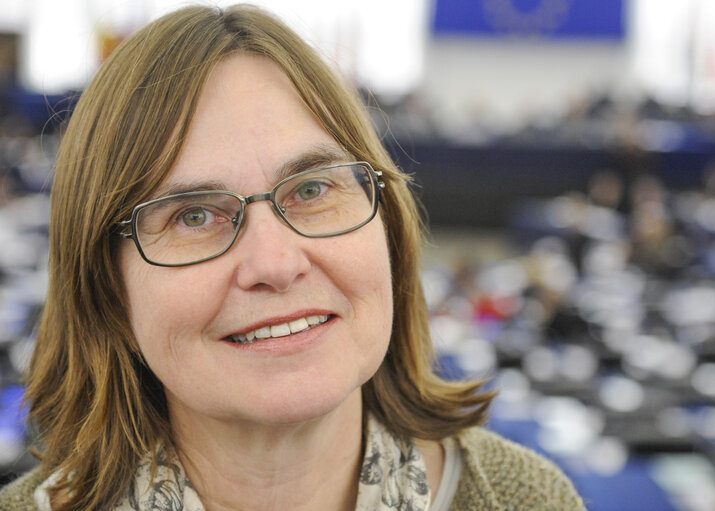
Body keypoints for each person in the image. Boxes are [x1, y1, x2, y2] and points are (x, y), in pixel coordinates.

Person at [0, 4, 586, 510]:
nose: (276, 264)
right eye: (193, 216)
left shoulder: (526, 499)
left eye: (311, 190)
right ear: (107, 289)